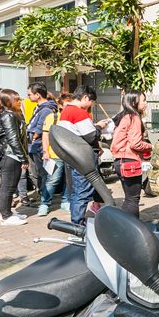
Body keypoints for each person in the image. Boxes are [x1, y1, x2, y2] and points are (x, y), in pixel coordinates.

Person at [58, 86, 102, 225]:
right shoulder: (79, 113)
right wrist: (99, 127)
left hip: (72, 156)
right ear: (85, 98)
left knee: (77, 191)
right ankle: (77, 225)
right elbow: (90, 136)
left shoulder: (66, 111)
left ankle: (76, 222)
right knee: (82, 192)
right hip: (82, 157)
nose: (91, 105)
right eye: (92, 102)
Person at [111, 91, 153, 217]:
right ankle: (132, 229)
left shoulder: (124, 116)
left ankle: (124, 225)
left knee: (129, 198)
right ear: (134, 102)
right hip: (130, 161)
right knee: (133, 199)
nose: (146, 103)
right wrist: (151, 146)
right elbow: (136, 144)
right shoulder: (134, 117)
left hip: (120, 160)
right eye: (143, 100)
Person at [0, 89, 28, 226]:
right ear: (9, 102)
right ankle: (5, 216)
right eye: (17, 100)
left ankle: (8, 212)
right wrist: (23, 158)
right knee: (8, 186)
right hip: (10, 155)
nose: (20, 102)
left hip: (11, 155)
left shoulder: (10, 114)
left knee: (10, 185)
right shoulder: (8, 116)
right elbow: (13, 139)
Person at [25, 84, 58, 216]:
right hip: (34, 146)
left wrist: (32, 136)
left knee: (43, 174)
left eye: (29, 94)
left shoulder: (46, 110)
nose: (28, 97)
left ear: (37, 94)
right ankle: (42, 196)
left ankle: (45, 200)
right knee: (37, 174)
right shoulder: (39, 108)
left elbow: (40, 129)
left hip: (39, 146)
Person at [40, 92, 67, 215]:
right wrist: (46, 151)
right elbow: (45, 135)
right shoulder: (53, 117)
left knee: (69, 180)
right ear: (60, 105)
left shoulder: (75, 118)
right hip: (55, 154)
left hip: (71, 155)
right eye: (66, 105)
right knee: (53, 180)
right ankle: (45, 203)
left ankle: (66, 201)